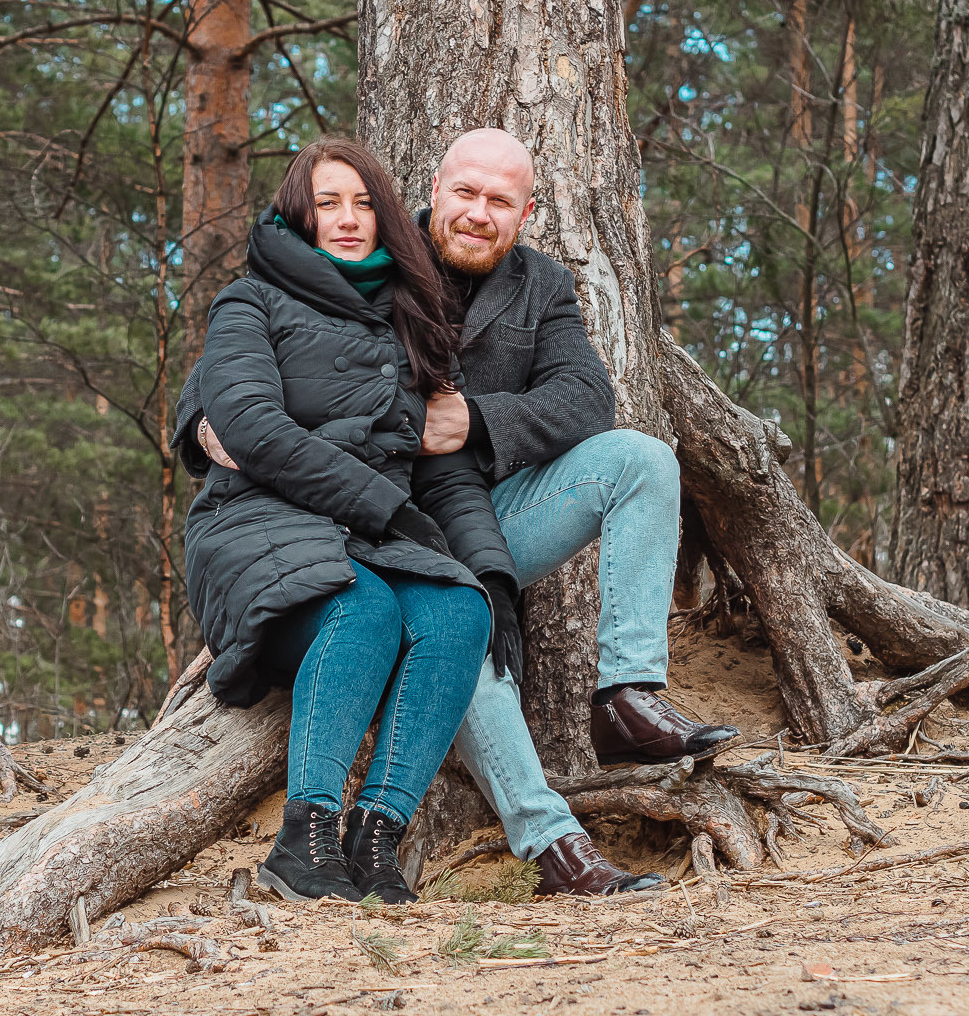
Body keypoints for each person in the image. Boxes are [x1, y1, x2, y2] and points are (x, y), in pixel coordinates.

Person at [178, 128, 740, 898]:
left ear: (525, 213)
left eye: (500, 201)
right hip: (359, 515)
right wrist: (201, 423)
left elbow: (586, 400)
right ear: (434, 191)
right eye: (466, 193)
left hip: (463, 505)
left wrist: (475, 424)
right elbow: (244, 361)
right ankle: (552, 846)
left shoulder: (540, 286)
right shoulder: (374, 259)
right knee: (427, 614)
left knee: (629, 468)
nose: (478, 213)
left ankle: (627, 697)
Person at [185, 137, 521, 907]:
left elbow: (443, 468)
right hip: (254, 522)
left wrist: (492, 573)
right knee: (362, 609)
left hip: (368, 535)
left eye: (364, 203)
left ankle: (374, 840)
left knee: (458, 610)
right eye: (327, 203)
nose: (346, 218)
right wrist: (384, 505)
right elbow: (249, 427)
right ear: (298, 216)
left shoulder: (408, 316)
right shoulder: (249, 302)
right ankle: (303, 842)